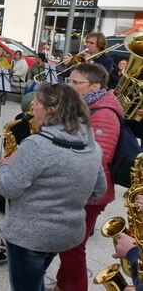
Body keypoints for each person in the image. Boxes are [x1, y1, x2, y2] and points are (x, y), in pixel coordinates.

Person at [0, 83, 106, 291]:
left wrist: (4, 167)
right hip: (67, 234)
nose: (32, 108)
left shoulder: (37, 145)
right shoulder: (92, 145)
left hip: (30, 237)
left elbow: (8, 188)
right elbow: (98, 190)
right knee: (36, 276)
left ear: (51, 110)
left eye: (36, 103)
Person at [55, 63, 120, 291]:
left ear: (94, 86)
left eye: (75, 82)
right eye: (68, 81)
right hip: (82, 190)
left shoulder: (102, 114)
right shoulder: (88, 105)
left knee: (73, 248)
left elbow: (97, 163)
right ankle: (63, 285)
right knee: (69, 244)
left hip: (90, 194)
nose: (69, 86)